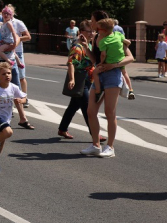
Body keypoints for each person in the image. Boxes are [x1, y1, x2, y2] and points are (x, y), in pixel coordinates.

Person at [81, 11, 135, 158]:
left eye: (92, 21)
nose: (90, 23)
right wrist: (86, 46)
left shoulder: (114, 36)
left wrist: (114, 65)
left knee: (109, 113)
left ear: (99, 23)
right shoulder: (96, 37)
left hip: (113, 75)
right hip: (99, 74)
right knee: (91, 111)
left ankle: (110, 147)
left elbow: (130, 57)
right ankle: (95, 145)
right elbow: (94, 60)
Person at [57, 20, 107, 141]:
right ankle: (94, 134)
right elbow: (71, 63)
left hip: (87, 80)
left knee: (73, 106)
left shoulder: (88, 45)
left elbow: (94, 60)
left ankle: (62, 129)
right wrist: (72, 79)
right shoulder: (77, 46)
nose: (91, 33)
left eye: (93, 31)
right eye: (88, 31)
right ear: (81, 32)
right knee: (87, 108)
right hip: (80, 81)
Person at [91, 18, 125, 103]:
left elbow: (103, 55)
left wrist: (101, 63)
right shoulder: (117, 34)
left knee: (95, 72)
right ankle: (130, 88)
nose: (97, 31)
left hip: (107, 64)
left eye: (99, 29)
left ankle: (98, 91)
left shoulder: (104, 41)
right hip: (118, 61)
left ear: (104, 31)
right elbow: (126, 41)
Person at [10, 6, 31, 107]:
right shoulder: (3, 23)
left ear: (13, 13)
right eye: (6, 12)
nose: (7, 14)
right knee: (8, 77)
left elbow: (28, 36)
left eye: (10, 12)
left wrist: (17, 38)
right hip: (8, 53)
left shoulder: (18, 22)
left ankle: (25, 98)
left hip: (17, 52)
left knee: (21, 77)